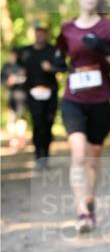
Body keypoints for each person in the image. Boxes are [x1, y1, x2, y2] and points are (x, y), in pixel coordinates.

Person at [56, 0, 110, 233]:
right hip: (73, 100)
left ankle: (90, 201)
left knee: (93, 159)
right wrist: (57, 64)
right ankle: (82, 213)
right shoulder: (67, 29)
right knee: (78, 154)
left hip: (100, 101)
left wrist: (103, 49)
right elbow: (59, 54)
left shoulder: (108, 29)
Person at [19, 23, 62, 167]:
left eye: (43, 32)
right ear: (34, 34)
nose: (40, 35)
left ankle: (46, 155)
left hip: (50, 92)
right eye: (38, 32)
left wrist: (51, 68)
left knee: (48, 124)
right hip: (32, 94)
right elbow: (14, 68)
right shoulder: (25, 52)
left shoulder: (53, 50)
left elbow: (63, 67)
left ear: (46, 34)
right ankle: (38, 154)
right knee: (38, 124)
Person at [1, 47, 29, 151]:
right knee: (12, 118)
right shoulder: (7, 66)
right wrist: (8, 81)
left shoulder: (24, 65)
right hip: (11, 96)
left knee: (21, 118)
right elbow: (2, 80)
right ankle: (13, 139)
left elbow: (29, 79)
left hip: (23, 95)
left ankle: (20, 139)